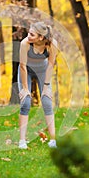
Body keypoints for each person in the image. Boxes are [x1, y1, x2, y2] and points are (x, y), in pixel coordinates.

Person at [18, 21, 58, 149]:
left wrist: (46, 86)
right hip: (26, 71)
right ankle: (22, 141)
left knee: (47, 101)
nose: (28, 36)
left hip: (43, 71)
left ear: (41, 37)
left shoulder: (52, 45)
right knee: (26, 102)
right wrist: (25, 89)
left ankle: (53, 140)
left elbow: (51, 65)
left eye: (32, 34)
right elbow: (23, 66)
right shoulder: (25, 44)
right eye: (29, 33)